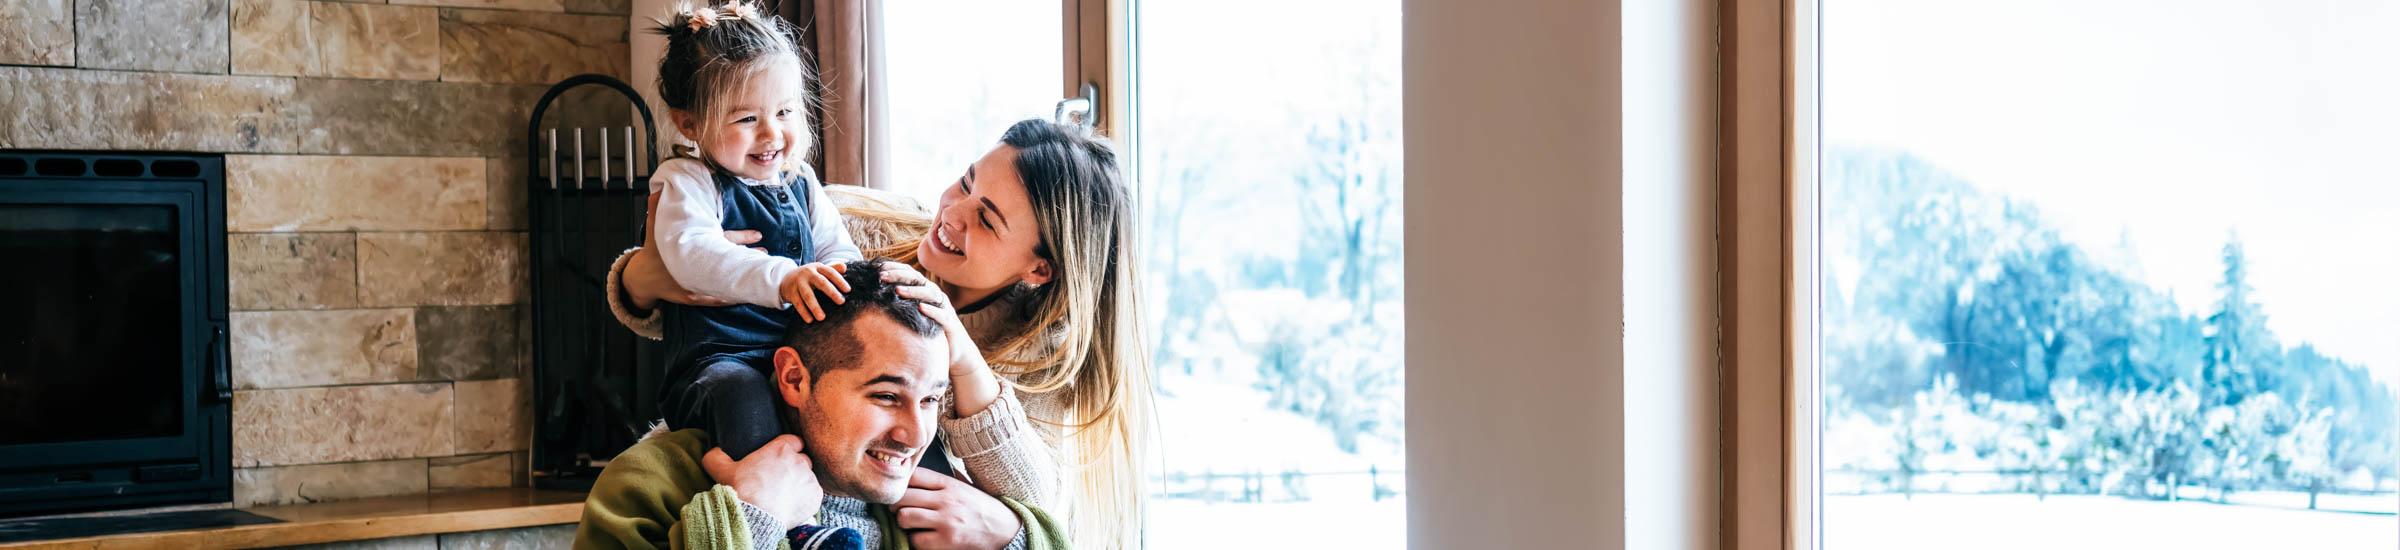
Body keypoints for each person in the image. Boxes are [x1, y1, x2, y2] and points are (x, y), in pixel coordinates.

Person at [608, 120, 1152, 549]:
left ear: (1039, 270)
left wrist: (961, 357)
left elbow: (1039, 503)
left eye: (986, 220)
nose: (952, 213)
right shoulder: (861, 228)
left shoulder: (1044, 359)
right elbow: (714, 293)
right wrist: (643, 278)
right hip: (742, 458)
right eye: (965, 182)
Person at [576, 259, 1065, 550]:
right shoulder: (648, 488)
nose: (916, 434)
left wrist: (1014, 537)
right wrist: (750, 522)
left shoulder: (946, 514)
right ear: (794, 378)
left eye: (933, 399)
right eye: (887, 396)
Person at [645, 1, 864, 461]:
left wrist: (856, 281)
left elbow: (836, 248)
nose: (772, 134)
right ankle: (781, 517)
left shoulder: (800, 181)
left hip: (798, 353)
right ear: (689, 122)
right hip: (717, 363)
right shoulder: (688, 180)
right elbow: (692, 253)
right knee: (742, 397)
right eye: (747, 119)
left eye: (784, 112)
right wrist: (783, 278)